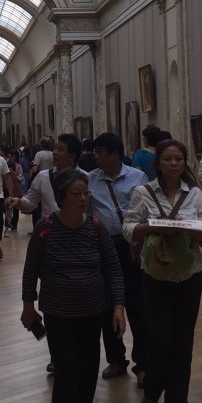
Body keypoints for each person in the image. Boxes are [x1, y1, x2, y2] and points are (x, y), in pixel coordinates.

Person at [21, 168, 125, 403]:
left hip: (93, 312)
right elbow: (31, 270)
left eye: (85, 193)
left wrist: (118, 306)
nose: (83, 199)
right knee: (66, 369)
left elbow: (113, 269)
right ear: (61, 198)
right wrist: (28, 306)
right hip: (58, 313)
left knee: (88, 368)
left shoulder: (96, 228)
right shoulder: (45, 229)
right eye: (76, 194)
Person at [123, 138, 202, 403]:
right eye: (168, 159)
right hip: (155, 276)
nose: (174, 164)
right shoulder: (144, 192)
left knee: (183, 343)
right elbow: (128, 228)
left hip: (188, 275)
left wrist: (194, 231)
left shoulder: (195, 194)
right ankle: (152, 391)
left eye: (178, 159)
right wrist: (151, 227)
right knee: (159, 338)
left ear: (185, 162)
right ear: (158, 164)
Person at [88, 134, 147, 384]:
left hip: (132, 246)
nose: (96, 156)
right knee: (108, 305)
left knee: (138, 305)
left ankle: (143, 363)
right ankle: (116, 359)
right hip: (104, 246)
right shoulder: (90, 179)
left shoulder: (138, 177)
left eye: (100, 152)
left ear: (115, 154)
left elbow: (147, 211)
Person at [6, 133, 85, 231]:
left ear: (72, 156)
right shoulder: (43, 177)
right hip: (51, 233)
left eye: (60, 149)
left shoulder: (86, 178)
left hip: (79, 233)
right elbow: (30, 202)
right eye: (55, 148)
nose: (55, 152)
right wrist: (18, 202)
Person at [4, 147, 24, 233]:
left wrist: (13, 174)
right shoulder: (5, 165)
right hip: (6, 189)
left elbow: (20, 179)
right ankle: (8, 223)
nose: (10, 157)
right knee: (7, 207)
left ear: (15, 156)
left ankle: (14, 225)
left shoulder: (18, 166)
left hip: (16, 189)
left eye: (12, 155)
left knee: (16, 208)